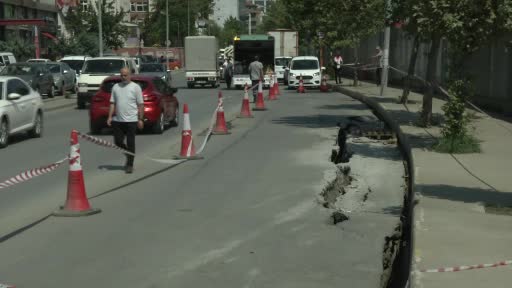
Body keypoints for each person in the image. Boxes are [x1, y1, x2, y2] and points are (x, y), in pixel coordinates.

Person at [107, 67, 144, 174]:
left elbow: (140, 104)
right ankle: (128, 153)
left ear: (130, 75)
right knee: (118, 142)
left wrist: (140, 119)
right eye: (122, 75)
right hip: (118, 120)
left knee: (130, 142)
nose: (123, 77)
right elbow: (112, 103)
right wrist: (110, 117)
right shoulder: (116, 87)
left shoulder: (135, 87)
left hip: (132, 120)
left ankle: (129, 164)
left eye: (126, 75)